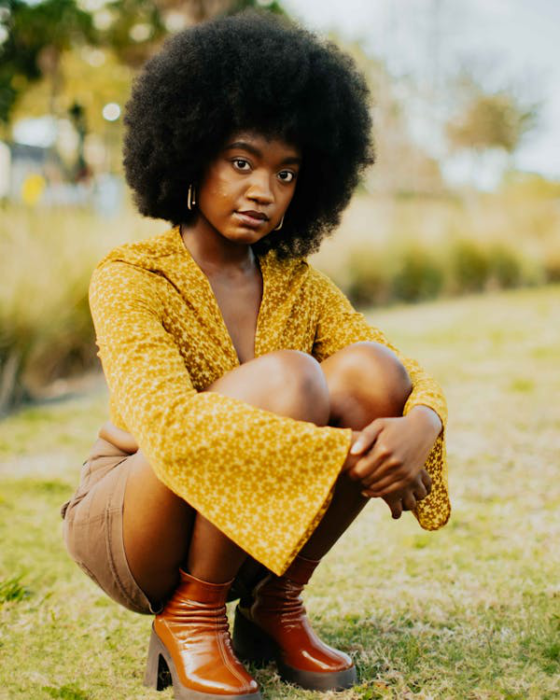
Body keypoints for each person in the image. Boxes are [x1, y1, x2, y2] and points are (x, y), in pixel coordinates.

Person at [60, 11, 450, 700]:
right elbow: (170, 427)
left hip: (255, 525)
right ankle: (194, 615)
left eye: (288, 173)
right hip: (135, 518)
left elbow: (404, 376)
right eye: (242, 161)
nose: (264, 191)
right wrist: (340, 455)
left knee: (371, 374)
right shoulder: (131, 275)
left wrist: (421, 428)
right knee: (293, 382)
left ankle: (274, 605)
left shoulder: (299, 284)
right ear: (192, 150)